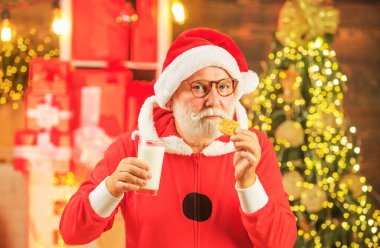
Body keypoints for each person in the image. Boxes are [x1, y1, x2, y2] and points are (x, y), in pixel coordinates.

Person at [60, 28, 297, 247]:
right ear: (172, 97)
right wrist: (111, 188)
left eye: (224, 87)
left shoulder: (253, 149)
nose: (214, 100)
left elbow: (281, 243)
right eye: (199, 87)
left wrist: (249, 183)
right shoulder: (134, 147)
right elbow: (72, 232)